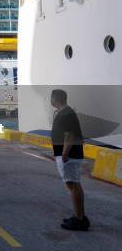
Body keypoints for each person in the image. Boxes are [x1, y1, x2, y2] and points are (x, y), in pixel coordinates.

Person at [50, 89, 89, 231]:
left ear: (56, 99)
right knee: (74, 184)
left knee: (72, 185)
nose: (51, 101)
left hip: (69, 156)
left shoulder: (66, 114)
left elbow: (69, 136)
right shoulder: (67, 112)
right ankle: (80, 216)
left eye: (52, 98)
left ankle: (79, 220)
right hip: (71, 155)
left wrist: (65, 154)